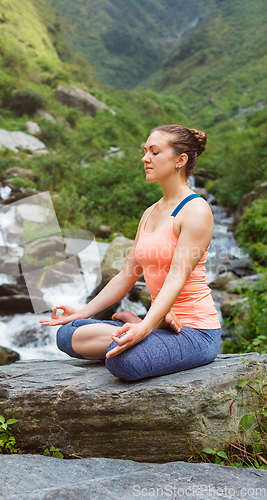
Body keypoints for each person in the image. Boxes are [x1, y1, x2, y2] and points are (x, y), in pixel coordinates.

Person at [40, 124, 222, 381]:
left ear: (180, 160)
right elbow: (126, 276)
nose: (145, 158)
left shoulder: (196, 210)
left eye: (155, 152)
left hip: (195, 332)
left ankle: (146, 328)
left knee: (122, 360)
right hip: (160, 322)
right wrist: (82, 312)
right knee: (68, 334)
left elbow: (176, 278)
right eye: (145, 150)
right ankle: (150, 326)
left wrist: (145, 327)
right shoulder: (150, 212)